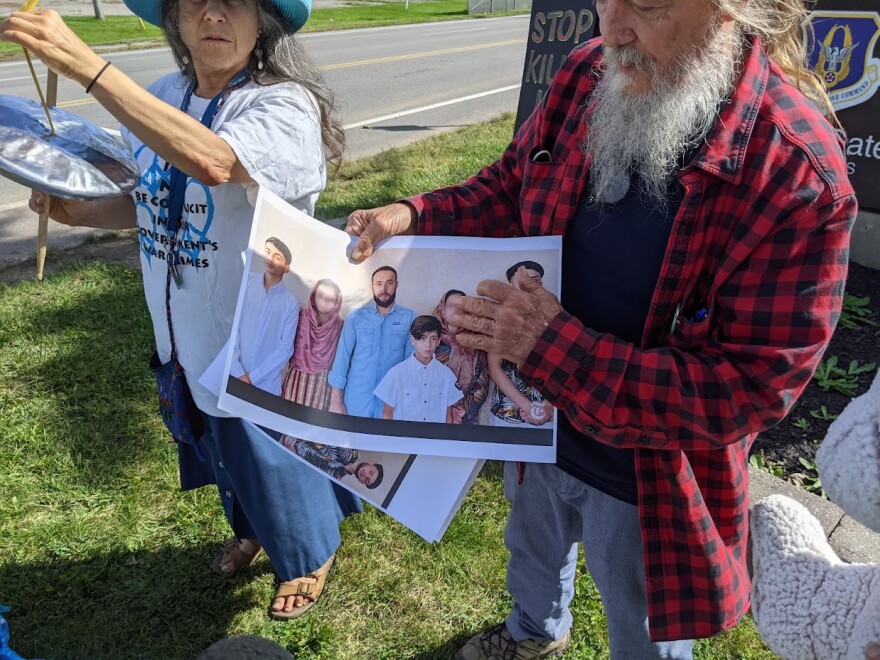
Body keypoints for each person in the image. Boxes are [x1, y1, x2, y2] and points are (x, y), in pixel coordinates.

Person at [342, 0, 858, 653]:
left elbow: (745, 390)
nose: (611, 30)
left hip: (646, 475)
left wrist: (547, 346)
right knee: (531, 548)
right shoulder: (591, 70)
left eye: (646, 5)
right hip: (536, 427)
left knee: (638, 618)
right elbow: (510, 189)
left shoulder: (794, 172)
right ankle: (535, 632)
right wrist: (417, 214)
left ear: (734, 10)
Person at [2, 0, 360, 621]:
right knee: (217, 445)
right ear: (173, 18)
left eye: (236, 2)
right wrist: (82, 212)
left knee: (271, 455)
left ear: (263, 22)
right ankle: (251, 527)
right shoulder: (167, 92)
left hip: (255, 338)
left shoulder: (282, 105)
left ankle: (307, 555)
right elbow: (153, 196)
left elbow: (216, 162)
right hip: (182, 323)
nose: (214, 14)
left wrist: (86, 67)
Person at [327, 266, 414, 418]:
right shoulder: (355, 318)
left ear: (396, 285)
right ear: (372, 287)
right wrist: (335, 401)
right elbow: (342, 358)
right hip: (356, 402)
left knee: (384, 442)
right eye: (379, 284)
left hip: (390, 405)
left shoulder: (409, 318)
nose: (384, 288)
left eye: (389, 283)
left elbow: (411, 365)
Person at [231, 237, 299, 395]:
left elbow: (285, 348)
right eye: (268, 252)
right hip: (234, 374)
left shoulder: (290, 303)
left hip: (266, 385)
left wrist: (253, 377)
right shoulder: (247, 282)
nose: (270, 259)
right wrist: (237, 370)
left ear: (287, 267)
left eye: (277, 257)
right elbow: (235, 326)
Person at [487, 263, 552, 427]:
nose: (528, 287)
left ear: (541, 284)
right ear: (511, 286)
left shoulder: (554, 314)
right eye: (522, 283)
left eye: (534, 280)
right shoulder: (501, 319)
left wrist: (548, 406)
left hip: (549, 407)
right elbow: (495, 368)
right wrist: (527, 406)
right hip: (509, 409)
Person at [374, 315, 462, 423]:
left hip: (435, 438)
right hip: (405, 438)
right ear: (413, 340)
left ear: (439, 341)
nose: (428, 345)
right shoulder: (397, 374)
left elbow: (448, 416)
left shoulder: (446, 375)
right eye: (422, 338)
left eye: (433, 338)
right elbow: (387, 415)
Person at [281, 278, 344, 409]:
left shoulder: (341, 326)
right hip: (296, 379)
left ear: (337, 302)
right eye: (320, 295)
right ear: (314, 295)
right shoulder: (300, 316)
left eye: (330, 299)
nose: (324, 301)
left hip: (321, 383)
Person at [432, 289, 489, 425]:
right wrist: (447, 410)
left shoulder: (475, 341)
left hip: (465, 417)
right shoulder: (432, 341)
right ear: (442, 310)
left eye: (461, 306)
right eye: (451, 305)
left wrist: (465, 410)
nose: (456, 310)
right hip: (433, 413)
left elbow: (483, 380)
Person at [281, 437, 384, 489]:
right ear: (371, 463)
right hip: (294, 426)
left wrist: (292, 452)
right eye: (371, 472)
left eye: (366, 480)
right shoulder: (351, 444)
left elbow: (306, 470)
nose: (365, 474)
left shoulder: (335, 477)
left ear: (361, 482)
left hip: (283, 447)